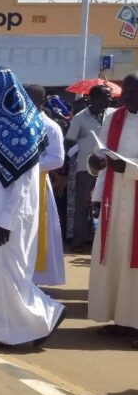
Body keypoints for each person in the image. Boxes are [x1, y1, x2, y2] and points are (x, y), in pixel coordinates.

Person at [0, 67, 65, 348]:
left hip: (8, 214)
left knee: (8, 274)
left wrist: (7, 219)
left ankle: (45, 315)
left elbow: (23, 182)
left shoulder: (20, 126)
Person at [88, 74, 138, 348]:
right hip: (115, 197)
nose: (127, 97)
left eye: (133, 92)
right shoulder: (113, 118)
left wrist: (128, 167)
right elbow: (101, 154)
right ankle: (122, 319)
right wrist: (95, 163)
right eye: (126, 92)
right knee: (117, 256)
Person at [26, 84, 67, 287]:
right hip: (18, 186)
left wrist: (27, 166)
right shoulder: (19, 123)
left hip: (39, 185)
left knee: (39, 232)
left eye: (29, 99)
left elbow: (57, 159)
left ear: (40, 102)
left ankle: (38, 279)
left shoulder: (50, 127)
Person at [65, 84, 113, 252]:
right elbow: (69, 142)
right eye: (107, 96)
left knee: (108, 204)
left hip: (110, 168)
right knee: (84, 205)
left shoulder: (112, 115)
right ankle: (79, 242)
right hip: (86, 168)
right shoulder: (80, 118)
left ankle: (104, 243)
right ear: (95, 98)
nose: (110, 99)